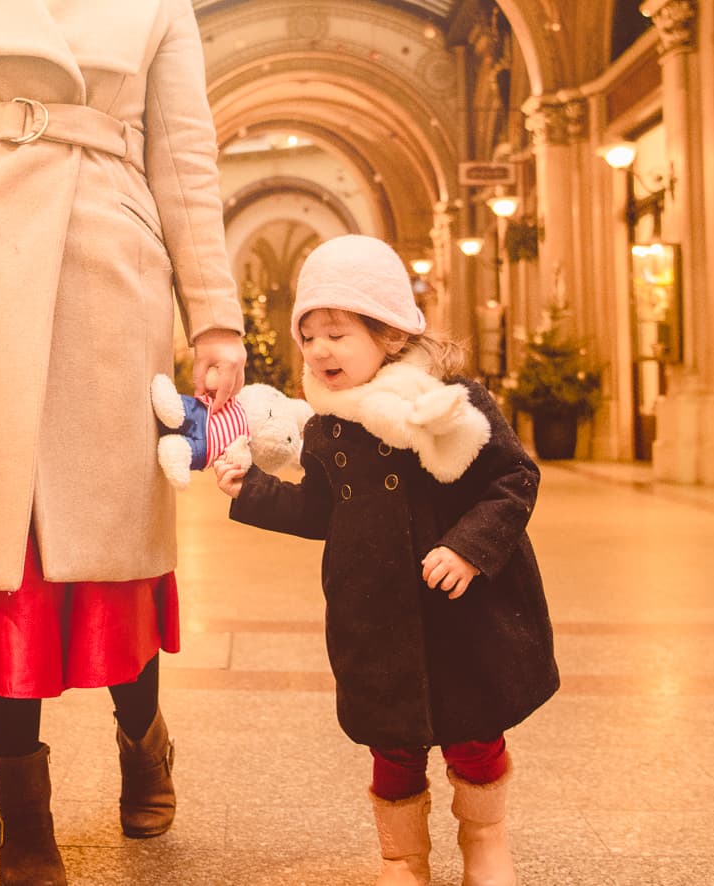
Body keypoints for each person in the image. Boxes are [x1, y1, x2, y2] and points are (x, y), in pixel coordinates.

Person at [0, 3, 246, 884]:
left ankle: (142, 739)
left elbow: (184, 156)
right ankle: (22, 815)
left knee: (112, 541)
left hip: (105, 260)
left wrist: (215, 319)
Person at [213, 234, 559, 886]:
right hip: (374, 617)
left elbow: (514, 481)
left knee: (473, 735)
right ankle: (402, 858)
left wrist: (468, 547)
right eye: (308, 334)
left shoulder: (449, 405)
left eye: (337, 333)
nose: (317, 350)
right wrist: (252, 490)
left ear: (391, 335)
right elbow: (320, 512)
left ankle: (485, 839)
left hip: (464, 615)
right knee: (392, 745)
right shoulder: (328, 429)